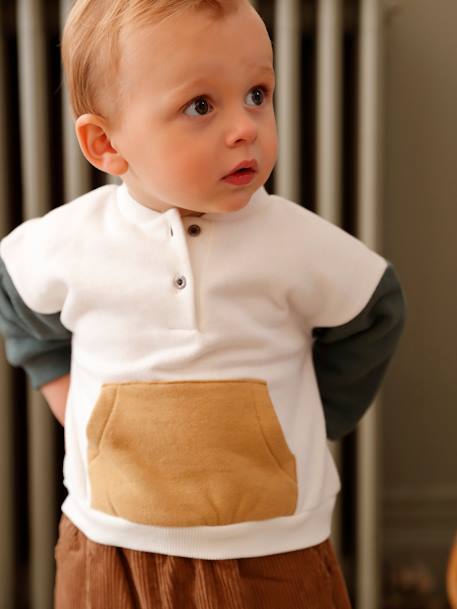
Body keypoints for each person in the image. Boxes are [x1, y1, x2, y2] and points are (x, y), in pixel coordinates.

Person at [0, 0, 407, 607]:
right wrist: (59, 387)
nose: (246, 127)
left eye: (257, 94)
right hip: (111, 547)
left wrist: (312, 417)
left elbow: (375, 310)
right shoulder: (71, 243)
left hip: (275, 549)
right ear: (106, 143)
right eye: (200, 106)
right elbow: (16, 298)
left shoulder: (296, 243)